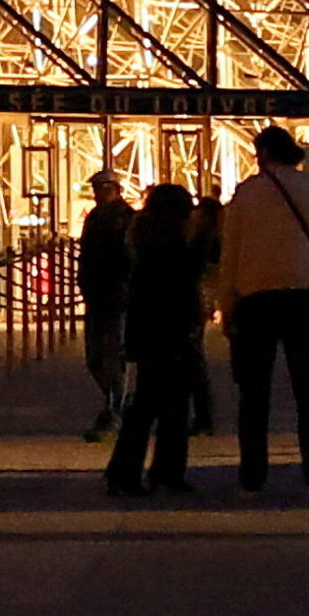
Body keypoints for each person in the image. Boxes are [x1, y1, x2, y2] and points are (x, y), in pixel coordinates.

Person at [215, 124, 309, 496]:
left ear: (264, 154)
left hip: (256, 300)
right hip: (302, 298)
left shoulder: (246, 194)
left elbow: (230, 257)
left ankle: (252, 477)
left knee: (254, 394)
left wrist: (228, 305)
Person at [102, 178, 211, 498]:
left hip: (148, 333)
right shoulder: (173, 248)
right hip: (171, 332)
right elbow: (187, 282)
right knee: (168, 405)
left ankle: (131, 471)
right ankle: (158, 471)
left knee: (149, 405)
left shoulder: (144, 243)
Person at [72, 170, 138, 446]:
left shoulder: (127, 218)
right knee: (95, 357)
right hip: (98, 294)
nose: (98, 194)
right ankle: (116, 402)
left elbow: (130, 257)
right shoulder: (95, 218)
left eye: (102, 189)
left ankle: (115, 408)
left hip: (118, 296)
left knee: (114, 354)